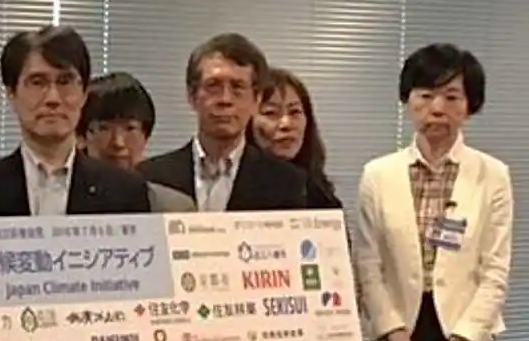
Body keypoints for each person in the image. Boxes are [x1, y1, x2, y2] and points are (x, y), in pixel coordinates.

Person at [356, 43, 512, 341]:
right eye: (425, 95)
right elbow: (369, 270)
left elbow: (495, 273)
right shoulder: (378, 175)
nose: (437, 108)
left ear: (470, 106)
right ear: (408, 101)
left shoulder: (492, 175)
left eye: (451, 97)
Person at [0, 26, 150, 216]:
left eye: (65, 82)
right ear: (11, 94)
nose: (53, 98)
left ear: (84, 93)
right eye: (38, 82)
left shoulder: (125, 189)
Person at [139, 33, 307, 211]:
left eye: (237, 87)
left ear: (256, 99)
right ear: (191, 96)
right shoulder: (150, 177)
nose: (225, 100)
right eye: (213, 86)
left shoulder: (286, 182)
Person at [77, 72, 196, 212]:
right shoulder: (65, 200)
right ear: (83, 136)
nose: (118, 142)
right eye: (104, 128)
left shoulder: (172, 207)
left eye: (130, 128)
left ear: (146, 136)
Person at [249, 67, 341, 209]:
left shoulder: (318, 192)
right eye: (271, 113)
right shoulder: (235, 190)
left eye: (294, 112)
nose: (286, 124)